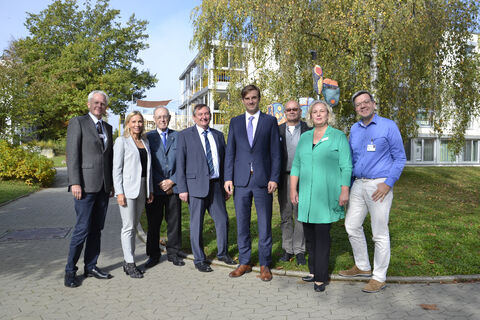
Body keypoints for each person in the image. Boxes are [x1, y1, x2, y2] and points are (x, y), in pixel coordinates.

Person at [339, 90, 406, 293]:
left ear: (374, 104)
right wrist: (348, 187)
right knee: (351, 225)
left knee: (379, 233)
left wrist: (388, 183)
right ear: (356, 109)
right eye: (359, 104)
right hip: (358, 184)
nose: (363, 106)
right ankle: (363, 266)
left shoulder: (388, 126)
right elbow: (352, 160)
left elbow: (400, 158)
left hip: (380, 185)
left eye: (366, 102)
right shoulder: (355, 129)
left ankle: (379, 277)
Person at [290, 100, 352, 292]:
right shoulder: (305, 137)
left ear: (328, 114)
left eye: (322, 111)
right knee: (309, 236)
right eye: (314, 111)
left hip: (326, 195)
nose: (318, 114)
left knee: (322, 236)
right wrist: (293, 189)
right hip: (307, 196)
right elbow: (296, 166)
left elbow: (346, 165)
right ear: (310, 116)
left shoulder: (338, 137)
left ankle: (321, 277)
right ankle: (313, 271)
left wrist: (344, 190)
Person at [225, 84, 281, 281]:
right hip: (240, 181)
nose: (251, 101)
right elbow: (230, 152)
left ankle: (265, 264)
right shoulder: (235, 122)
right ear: (243, 100)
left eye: (254, 97)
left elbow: (276, 153)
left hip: (262, 181)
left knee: (265, 224)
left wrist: (274, 177)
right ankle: (245, 262)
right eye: (247, 98)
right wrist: (228, 178)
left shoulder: (270, 121)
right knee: (242, 223)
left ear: (259, 99)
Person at [176, 104, 235, 272]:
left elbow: (223, 162)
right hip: (195, 187)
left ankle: (223, 253)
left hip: (216, 185)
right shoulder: (185, 135)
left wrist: (226, 184)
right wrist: (182, 188)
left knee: (222, 220)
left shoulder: (218, 135)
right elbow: (180, 163)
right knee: (196, 224)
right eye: (200, 114)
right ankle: (199, 259)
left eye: (207, 113)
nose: (204, 117)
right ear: (194, 117)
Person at [64, 90, 114, 288]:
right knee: (82, 229)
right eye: (96, 102)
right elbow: (72, 153)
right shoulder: (78, 122)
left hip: (102, 187)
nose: (99, 106)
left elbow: (107, 159)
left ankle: (91, 266)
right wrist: (74, 182)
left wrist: (110, 185)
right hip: (84, 186)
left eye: (102, 104)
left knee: (97, 229)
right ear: (89, 104)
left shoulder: (108, 128)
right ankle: (70, 271)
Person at [113, 111, 154, 278]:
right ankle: (130, 262)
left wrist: (149, 189)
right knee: (128, 227)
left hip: (143, 188)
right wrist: (119, 192)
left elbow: (148, 168)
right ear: (128, 123)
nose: (137, 124)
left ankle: (128, 260)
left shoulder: (145, 141)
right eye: (134, 121)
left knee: (135, 224)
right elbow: (117, 169)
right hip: (128, 190)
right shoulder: (122, 141)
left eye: (140, 121)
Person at [145, 106, 185, 268]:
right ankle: (153, 255)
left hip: (174, 188)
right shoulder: (148, 138)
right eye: (159, 117)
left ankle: (174, 253)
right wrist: (160, 181)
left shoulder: (178, 137)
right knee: (153, 223)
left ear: (169, 118)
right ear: (154, 119)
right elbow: (147, 164)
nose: (162, 119)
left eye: (165, 117)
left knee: (174, 222)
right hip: (155, 189)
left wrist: (173, 180)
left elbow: (184, 162)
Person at [278, 100, 310, 265]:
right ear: (285, 112)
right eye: (288, 109)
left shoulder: (308, 130)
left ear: (300, 111)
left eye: (295, 109)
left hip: (303, 177)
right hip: (284, 177)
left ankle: (299, 250)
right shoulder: (278, 130)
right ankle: (287, 248)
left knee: (300, 214)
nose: (291, 111)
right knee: (286, 214)